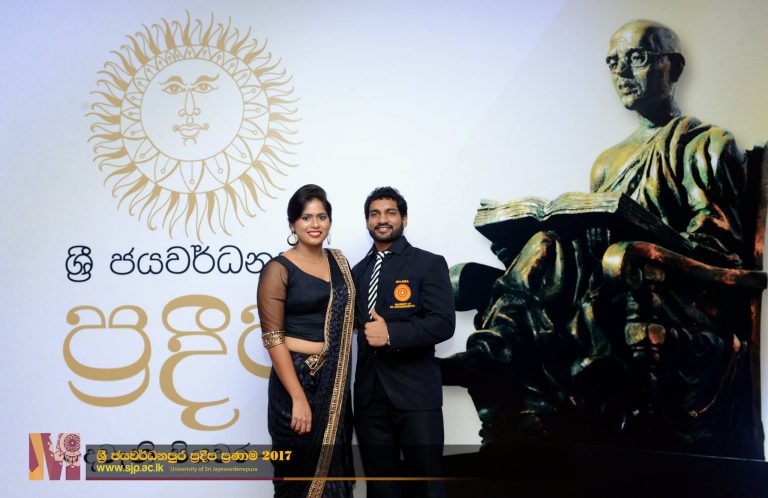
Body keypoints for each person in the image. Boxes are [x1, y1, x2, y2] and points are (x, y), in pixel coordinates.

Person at [441, 20, 747, 452]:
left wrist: (644, 243)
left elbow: (720, 253)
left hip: (672, 291)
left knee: (579, 268)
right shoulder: (609, 162)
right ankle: (492, 355)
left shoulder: (706, 144)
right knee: (548, 242)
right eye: (613, 62)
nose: (622, 72)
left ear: (674, 66)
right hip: (607, 276)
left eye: (637, 58)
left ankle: (494, 354)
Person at [352, 186, 455, 498]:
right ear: (367, 221)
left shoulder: (428, 263)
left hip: (416, 397)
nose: (382, 219)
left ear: (404, 219)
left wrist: (391, 335)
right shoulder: (357, 272)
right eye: (374, 214)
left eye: (390, 212)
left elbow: (443, 323)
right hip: (369, 400)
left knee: (426, 486)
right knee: (381, 488)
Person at [258, 184, 356, 498]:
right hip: (295, 381)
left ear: (330, 222)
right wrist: (298, 398)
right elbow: (273, 339)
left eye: (321, 217)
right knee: (297, 478)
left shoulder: (339, 263)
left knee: (334, 476)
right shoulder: (277, 269)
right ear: (292, 224)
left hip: (334, 383)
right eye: (306, 217)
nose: (315, 224)